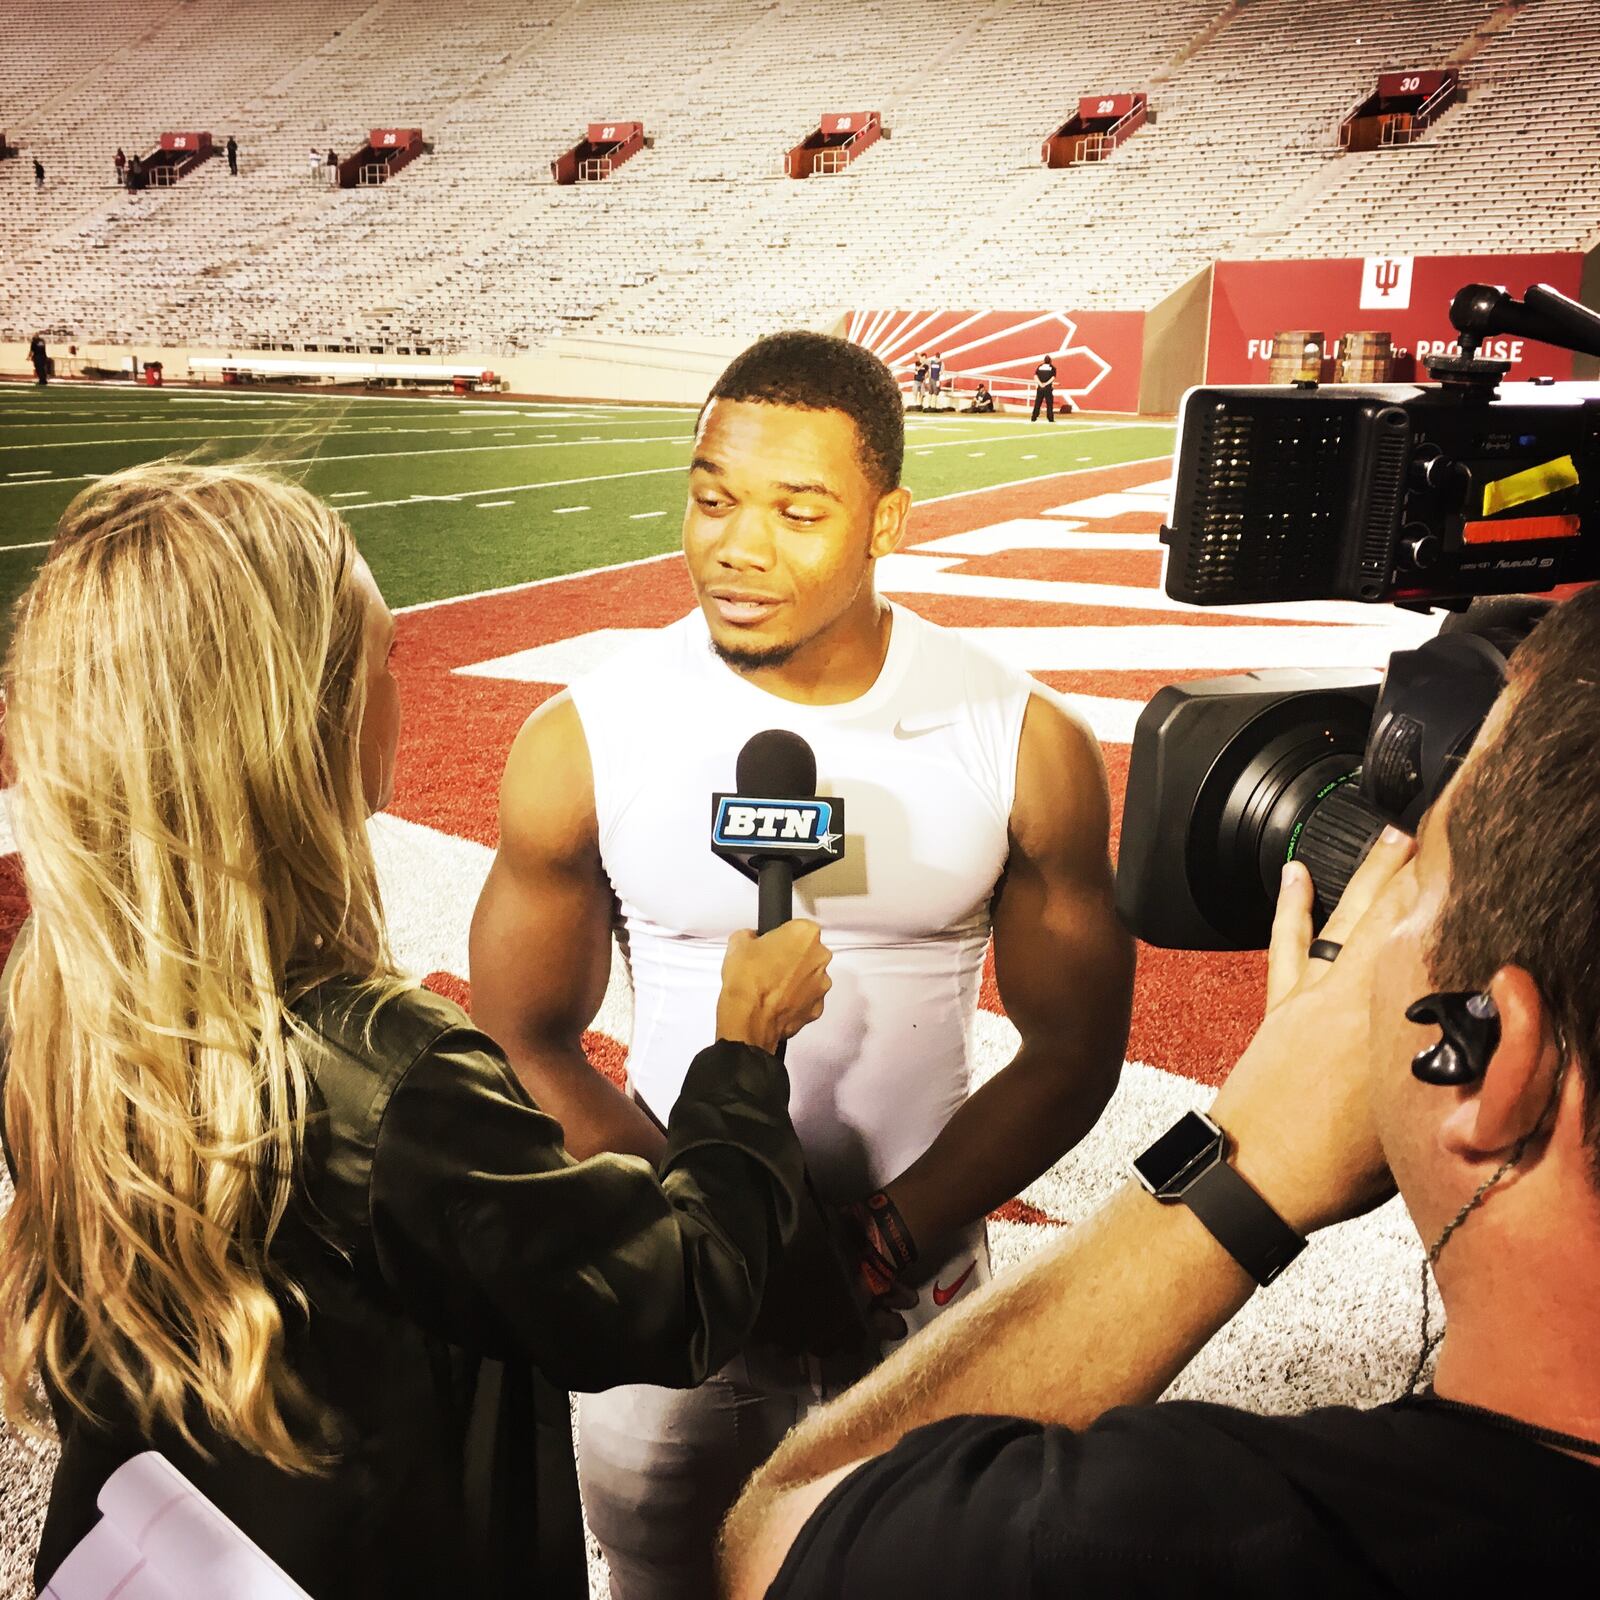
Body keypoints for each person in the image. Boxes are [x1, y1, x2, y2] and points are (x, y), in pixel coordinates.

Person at [0, 462, 834, 1600]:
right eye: (379, 658)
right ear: (294, 720)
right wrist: (742, 1055)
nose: (400, 694)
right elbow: (672, 1298)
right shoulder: (389, 1077)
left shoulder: (52, 991)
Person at [722, 585, 1600, 1598]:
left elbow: (782, 1539)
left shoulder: (1197, 1539)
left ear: (1493, 1064)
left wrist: (1248, 1162)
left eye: (1413, 865)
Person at [470, 330, 1134, 1599]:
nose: (737, 544)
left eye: (796, 509)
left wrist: (882, 1241)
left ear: (887, 518)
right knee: (662, 1577)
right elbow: (521, 1033)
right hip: (673, 1291)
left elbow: (1073, 1048)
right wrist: (708, 1228)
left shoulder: (1020, 734)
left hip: (921, 1293)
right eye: (712, 497)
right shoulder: (584, 734)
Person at [1031, 354, 1057, 421]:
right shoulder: (1052, 368)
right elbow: (1053, 378)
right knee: (1049, 404)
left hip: (1040, 388)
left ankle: (1034, 417)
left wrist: (1040, 384)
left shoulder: (1040, 367)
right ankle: (1050, 418)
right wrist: (1046, 384)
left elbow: (1035, 376)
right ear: (1050, 361)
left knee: (1037, 403)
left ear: (1044, 360)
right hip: (1048, 388)